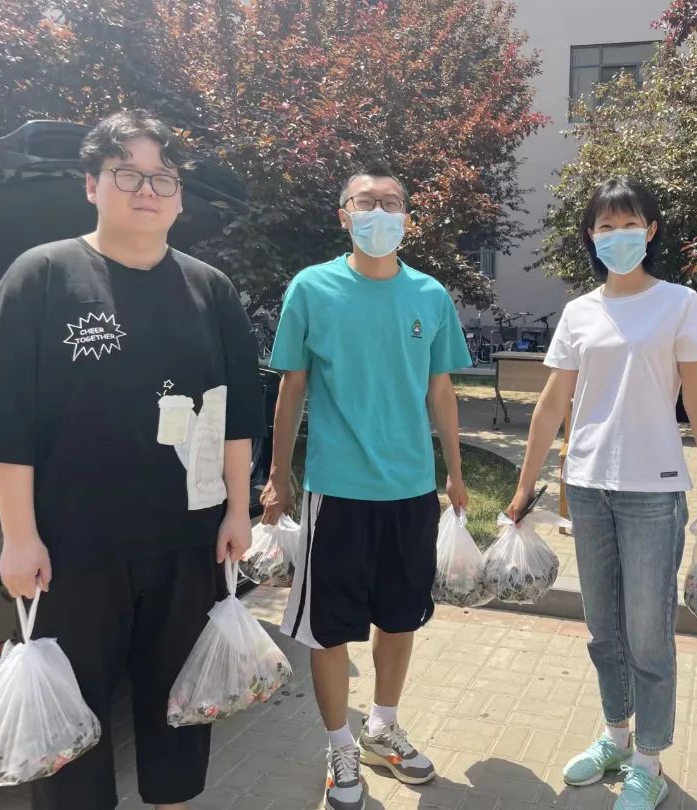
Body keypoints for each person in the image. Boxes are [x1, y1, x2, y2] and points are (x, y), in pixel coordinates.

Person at [0, 111, 264, 810]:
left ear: (179, 196)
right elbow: (7, 424)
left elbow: (235, 415)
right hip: (71, 551)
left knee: (180, 711)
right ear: (91, 185)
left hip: (186, 542)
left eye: (162, 177)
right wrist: (19, 537)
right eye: (126, 174)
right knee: (71, 725)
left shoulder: (210, 289)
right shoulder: (42, 276)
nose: (146, 190)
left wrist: (237, 510)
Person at [506, 178, 697, 810]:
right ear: (591, 237)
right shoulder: (580, 311)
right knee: (602, 630)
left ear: (651, 230)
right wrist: (525, 485)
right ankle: (616, 736)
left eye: (629, 224)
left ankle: (649, 760)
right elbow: (552, 402)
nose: (618, 236)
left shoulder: (678, 302)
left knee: (648, 636)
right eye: (605, 226)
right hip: (587, 487)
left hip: (653, 492)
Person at [260, 166, 471, 810]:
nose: (381, 212)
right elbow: (292, 387)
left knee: (400, 617)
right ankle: (339, 747)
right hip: (337, 491)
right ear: (344, 215)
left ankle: (382, 727)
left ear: (407, 216)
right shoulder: (312, 288)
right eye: (367, 202)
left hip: (410, 489)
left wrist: (456, 473)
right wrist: (277, 477)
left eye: (393, 202)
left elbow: (440, 389)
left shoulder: (430, 295)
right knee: (330, 629)